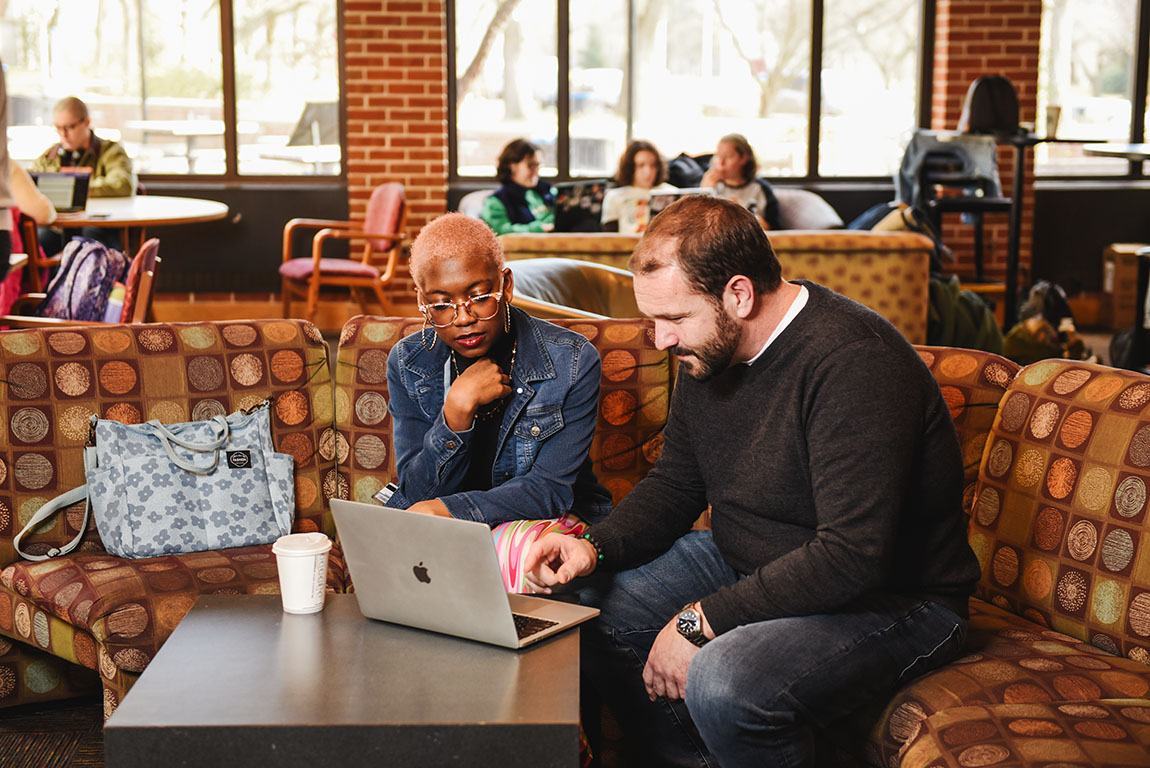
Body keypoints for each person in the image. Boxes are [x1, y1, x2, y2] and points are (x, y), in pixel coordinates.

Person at [524, 196, 980, 767]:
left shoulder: (854, 363)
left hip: (899, 599)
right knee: (588, 601)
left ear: (738, 294)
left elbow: (852, 558)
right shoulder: (708, 350)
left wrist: (699, 622)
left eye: (675, 319)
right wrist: (592, 546)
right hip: (753, 557)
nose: (660, 340)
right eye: (654, 320)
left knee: (724, 679)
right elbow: (674, 487)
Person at [385, 212, 613, 592]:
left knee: (516, 558)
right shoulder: (409, 363)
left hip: (542, 524)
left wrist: (450, 512)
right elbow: (417, 492)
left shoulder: (571, 361)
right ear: (422, 301)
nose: (464, 318)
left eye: (478, 296)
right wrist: (456, 413)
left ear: (505, 285)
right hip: (446, 527)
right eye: (441, 304)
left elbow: (550, 490)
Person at [31, 96, 135, 254]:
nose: (63, 134)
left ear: (86, 122)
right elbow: (31, 187)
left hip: (99, 226)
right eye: (58, 128)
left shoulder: (110, 151)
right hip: (58, 227)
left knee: (88, 245)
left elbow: (122, 184)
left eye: (70, 127)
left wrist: (73, 191)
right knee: (37, 243)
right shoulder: (49, 158)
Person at [699, 133, 781, 230]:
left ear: (743, 158)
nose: (721, 163)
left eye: (728, 157)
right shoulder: (708, 185)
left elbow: (773, 230)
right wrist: (703, 193)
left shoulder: (761, 189)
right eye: (718, 156)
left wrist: (742, 212)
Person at [480, 138, 555, 235]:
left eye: (538, 165)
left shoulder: (547, 191)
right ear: (512, 166)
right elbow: (501, 232)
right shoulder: (495, 202)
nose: (536, 171)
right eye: (531, 165)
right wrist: (540, 228)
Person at [601, 139, 675, 234]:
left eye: (653, 165)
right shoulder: (614, 196)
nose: (648, 172)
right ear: (630, 168)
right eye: (641, 165)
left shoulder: (671, 192)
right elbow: (609, 237)